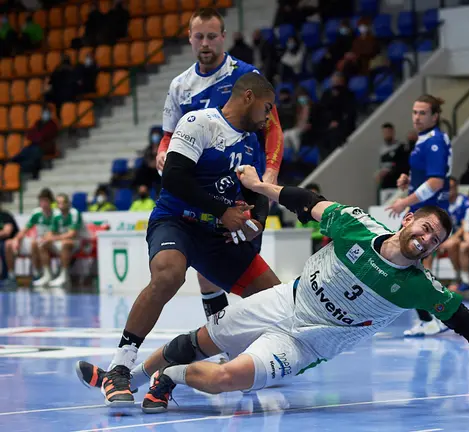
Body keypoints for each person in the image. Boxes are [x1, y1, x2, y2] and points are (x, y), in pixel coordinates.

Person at [111, 166, 469, 414]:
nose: (427, 240)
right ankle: (127, 376)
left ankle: (168, 378)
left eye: (436, 241)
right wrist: (258, 185)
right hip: (286, 299)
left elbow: (466, 321)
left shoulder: (418, 287)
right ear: (408, 219)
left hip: (306, 345)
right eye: (426, 228)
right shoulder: (355, 226)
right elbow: (306, 202)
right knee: (199, 339)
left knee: (225, 378)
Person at [74, 71, 277, 407]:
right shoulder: (199, 122)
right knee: (169, 274)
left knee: (276, 300)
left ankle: (147, 375)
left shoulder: (251, 141)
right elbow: (174, 177)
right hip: (176, 221)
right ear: (248, 97)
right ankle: (121, 366)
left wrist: (257, 222)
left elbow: (256, 192)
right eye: (267, 107)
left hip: (217, 234)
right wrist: (222, 211)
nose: (269, 116)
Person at [153, 8, 285, 329]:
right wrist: (162, 150)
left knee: (244, 264)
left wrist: (270, 172)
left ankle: (263, 337)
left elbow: (274, 128)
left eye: (212, 36)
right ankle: (224, 340)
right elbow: (169, 134)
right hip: (204, 191)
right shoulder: (180, 86)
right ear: (190, 38)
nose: (206, 43)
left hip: (244, 189)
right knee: (207, 274)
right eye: (199, 36)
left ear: (223, 37)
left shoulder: (246, 76)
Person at [385, 94, 452, 337]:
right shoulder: (425, 139)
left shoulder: (435, 141)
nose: (417, 117)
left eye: (423, 113)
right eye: (415, 112)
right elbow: (426, 177)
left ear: (435, 116)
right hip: (424, 212)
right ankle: (431, 318)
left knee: (409, 264)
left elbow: (435, 182)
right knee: (411, 265)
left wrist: (405, 200)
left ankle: (436, 317)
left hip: (430, 217)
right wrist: (409, 182)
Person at [4, 189, 58, 287]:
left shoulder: (56, 214)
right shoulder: (37, 213)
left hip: (50, 241)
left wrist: (44, 238)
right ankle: (11, 275)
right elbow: (25, 229)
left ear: (51, 202)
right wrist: (16, 239)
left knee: (35, 242)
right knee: (8, 243)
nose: (43, 204)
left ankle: (37, 273)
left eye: (46, 201)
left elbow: (53, 232)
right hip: (39, 239)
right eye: (41, 201)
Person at [423, 177, 467, 289]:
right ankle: (427, 277)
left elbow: (465, 226)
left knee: (452, 244)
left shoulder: (464, 202)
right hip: (444, 237)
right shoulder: (441, 203)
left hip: (461, 236)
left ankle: (458, 277)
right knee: (428, 243)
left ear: (456, 187)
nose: (449, 190)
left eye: (451, 187)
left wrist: (451, 238)